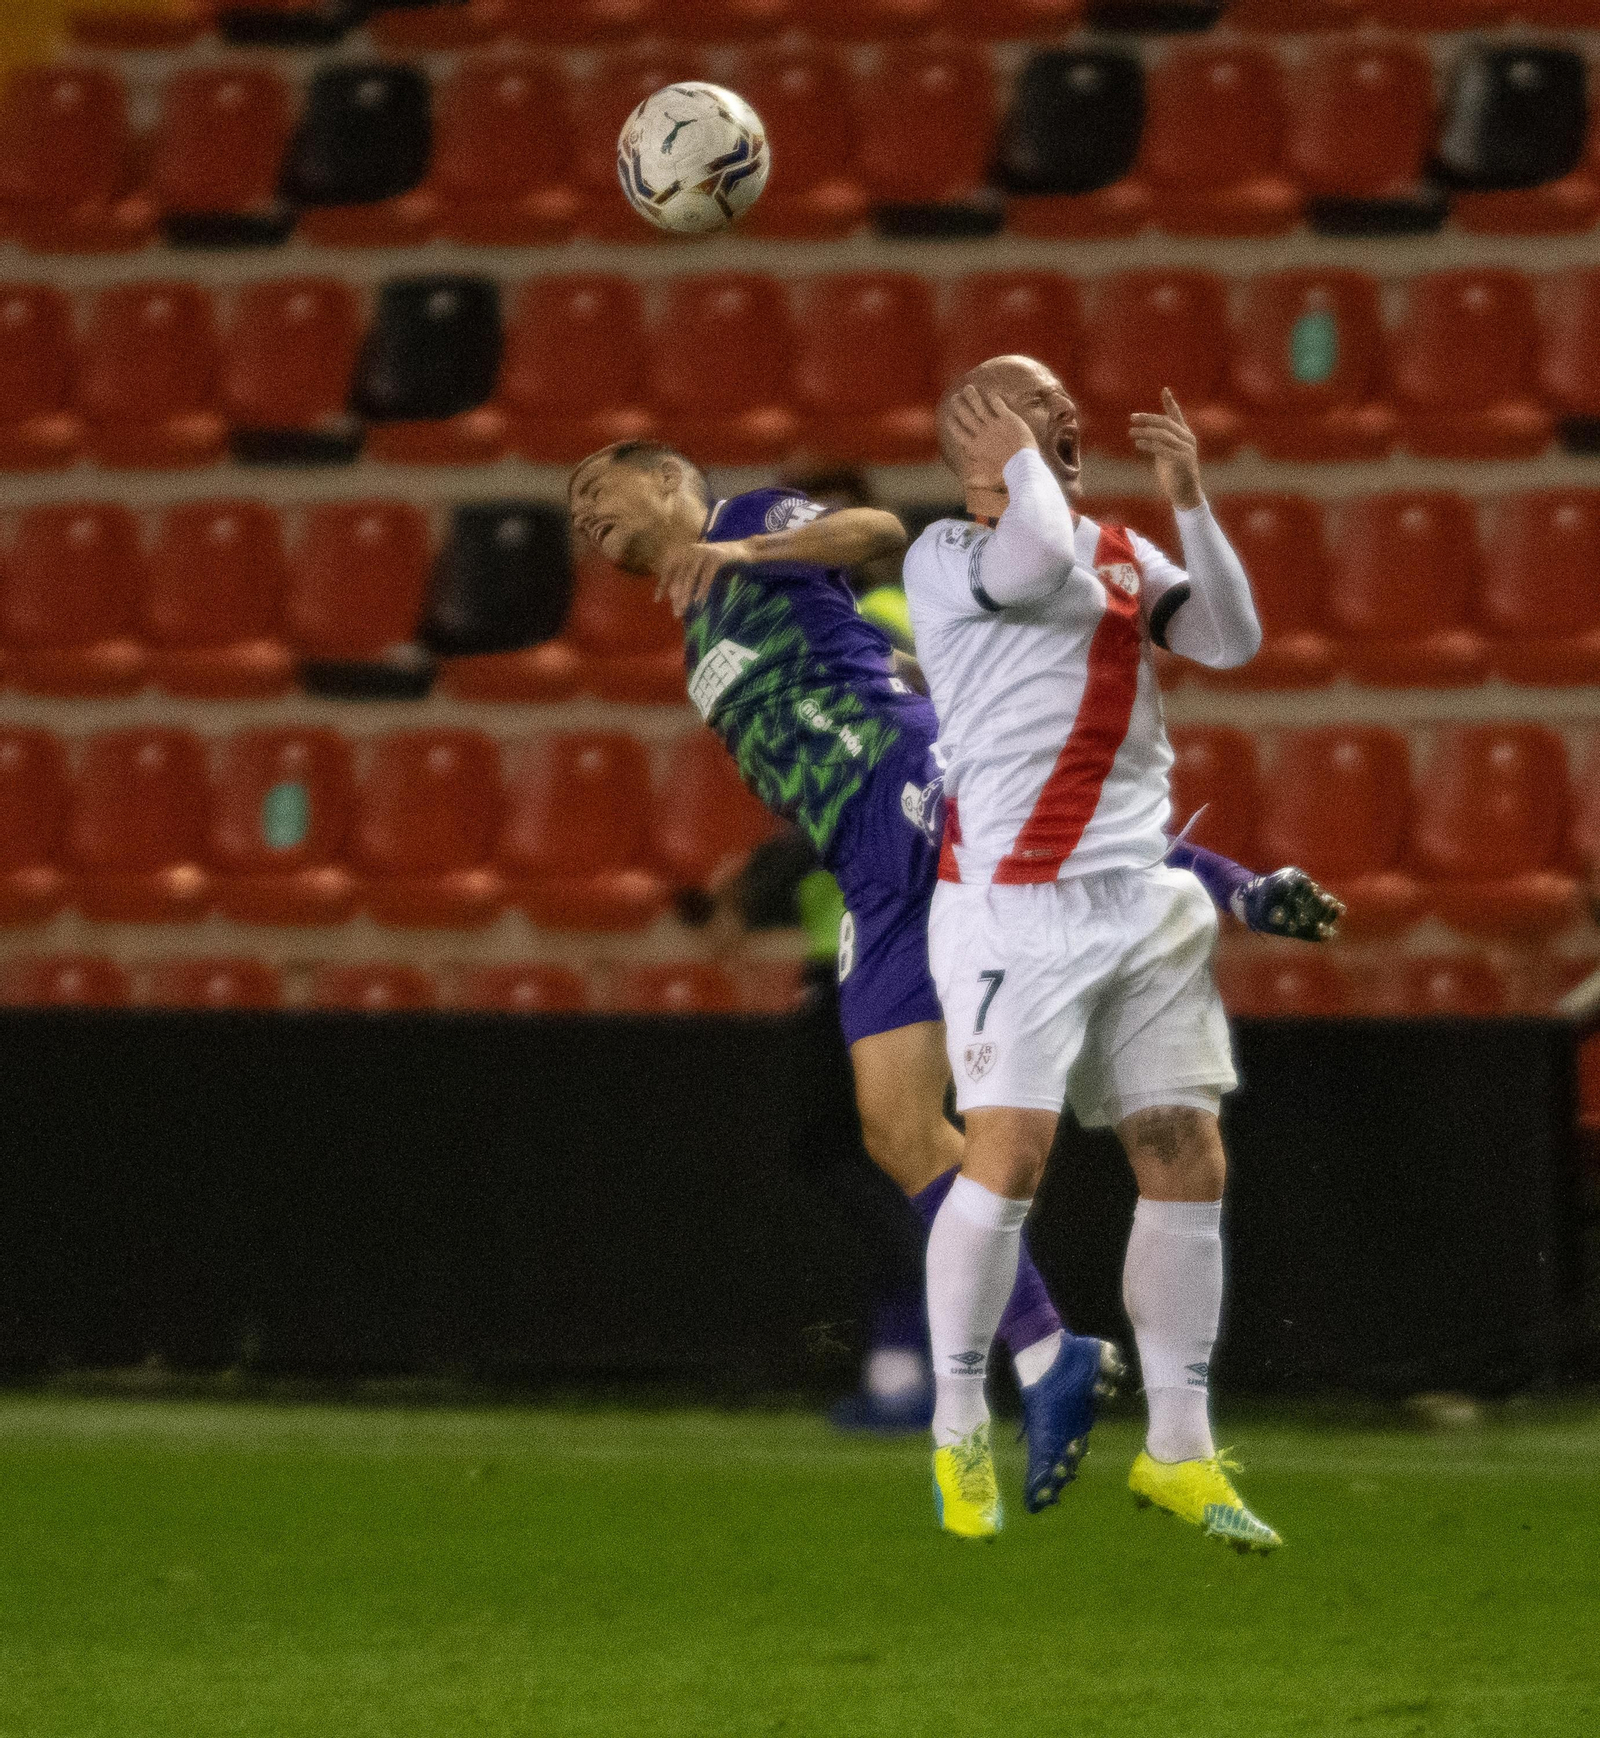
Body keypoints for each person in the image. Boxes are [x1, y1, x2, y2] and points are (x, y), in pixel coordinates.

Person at [567, 440, 1341, 1506]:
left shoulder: (750, 519)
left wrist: (743, 543)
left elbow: (876, 535)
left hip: (902, 772)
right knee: (893, 1128)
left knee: (1027, 843)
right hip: (863, 869)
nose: (580, 512)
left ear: (667, 480)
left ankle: (1231, 880)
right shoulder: (698, 615)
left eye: (593, 489)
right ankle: (1046, 1353)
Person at [903, 355, 1285, 1550]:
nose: (1063, 419)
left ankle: (1179, 1450)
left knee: (1186, 1153)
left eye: (1061, 406)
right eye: (1032, 405)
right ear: (973, 437)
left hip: (1140, 895)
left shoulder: (1114, 543)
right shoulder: (945, 556)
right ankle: (960, 1420)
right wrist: (1015, 459)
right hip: (1015, 903)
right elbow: (1035, 561)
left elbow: (1227, 637)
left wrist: (1190, 501)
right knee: (1007, 1158)